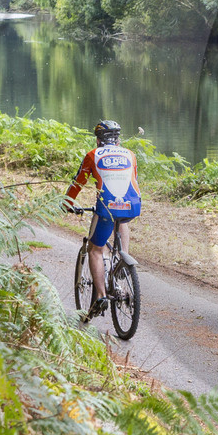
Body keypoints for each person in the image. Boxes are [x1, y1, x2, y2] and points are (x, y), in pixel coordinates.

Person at [63, 119, 141, 319]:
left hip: (106, 208)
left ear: (98, 140)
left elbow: (78, 182)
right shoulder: (130, 155)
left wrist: (67, 203)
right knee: (121, 220)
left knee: (95, 250)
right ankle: (123, 260)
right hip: (132, 206)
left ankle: (100, 296)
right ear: (118, 139)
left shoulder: (93, 155)